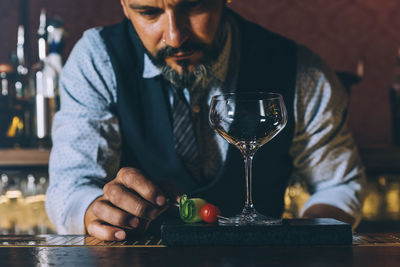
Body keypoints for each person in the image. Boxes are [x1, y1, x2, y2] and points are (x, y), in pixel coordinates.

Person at [46, 0, 366, 241]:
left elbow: (338, 184)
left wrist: (308, 241)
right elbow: (69, 188)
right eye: (149, 13)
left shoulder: (299, 69)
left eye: (194, 5)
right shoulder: (97, 59)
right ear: (125, 6)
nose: (174, 36)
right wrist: (92, 209)